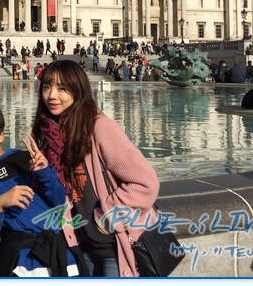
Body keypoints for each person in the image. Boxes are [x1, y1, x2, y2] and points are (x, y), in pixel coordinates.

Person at [31, 60, 159, 277]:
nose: (52, 95)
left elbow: (146, 183)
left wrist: (104, 217)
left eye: (62, 88)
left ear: (78, 89)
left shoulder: (99, 127)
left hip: (115, 246)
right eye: (46, 87)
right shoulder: (52, 132)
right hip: (82, 245)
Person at [0, 104, 83, 277]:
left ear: (1, 136)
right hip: (23, 259)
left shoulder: (25, 159)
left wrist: (45, 173)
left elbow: (60, 201)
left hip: (61, 252)